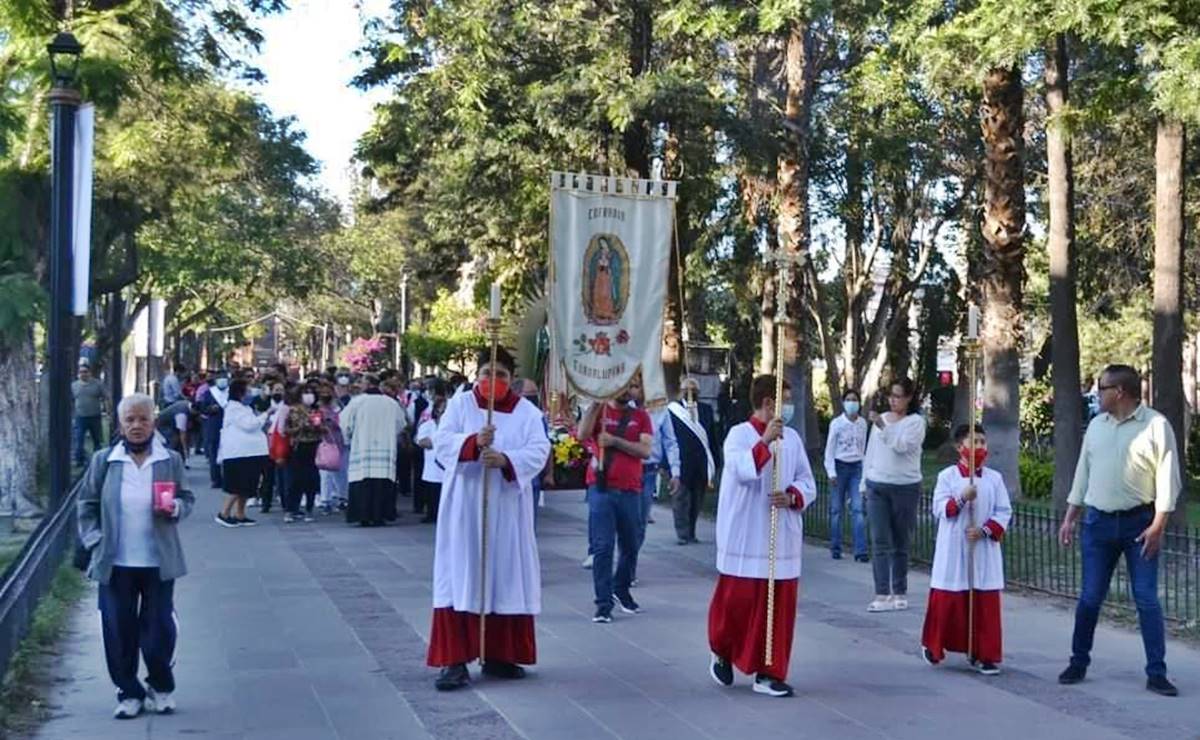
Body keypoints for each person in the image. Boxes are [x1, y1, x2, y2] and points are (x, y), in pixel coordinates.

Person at [427, 348, 550, 690]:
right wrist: (470, 443)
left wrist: (507, 460)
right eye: (486, 372)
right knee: (461, 574)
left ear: (512, 380)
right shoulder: (461, 404)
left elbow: (540, 449)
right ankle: (454, 660)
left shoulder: (527, 412)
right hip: (465, 504)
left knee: (505, 574)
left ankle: (500, 654)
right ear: (476, 375)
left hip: (507, 505)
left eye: (501, 375)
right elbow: (442, 440)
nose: (492, 380)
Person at [1056, 364, 1182, 697]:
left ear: (1120, 392)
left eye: (1102, 388)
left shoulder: (1156, 425)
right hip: (1097, 524)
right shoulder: (1097, 425)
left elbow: (1169, 480)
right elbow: (1083, 472)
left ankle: (1157, 672)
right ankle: (1078, 661)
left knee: (1145, 599)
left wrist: (1158, 525)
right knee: (1090, 597)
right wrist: (1071, 516)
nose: (1098, 394)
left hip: (1139, 524)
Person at [77, 393, 195, 719]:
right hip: (115, 563)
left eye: (143, 419)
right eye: (130, 420)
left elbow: (187, 496)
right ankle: (128, 692)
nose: (137, 425)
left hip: (159, 561)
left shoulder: (169, 459)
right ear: (120, 424)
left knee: (158, 632)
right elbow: (86, 505)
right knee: (118, 631)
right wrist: (94, 540)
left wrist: (177, 508)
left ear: (154, 422)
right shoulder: (105, 460)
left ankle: (161, 686)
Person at [707, 375, 817, 698]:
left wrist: (794, 495)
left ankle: (769, 673)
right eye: (784, 399)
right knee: (736, 604)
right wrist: (765, 441)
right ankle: (722, 650)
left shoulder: (793, 440)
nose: (789, 407)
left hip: (779, 534)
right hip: (746, 532)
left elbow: (807, 481)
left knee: (778, 607)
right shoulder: (738, 435)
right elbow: (742, 470)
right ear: (769, 403)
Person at [920, 424, 1011, 675]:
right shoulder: (947, 477)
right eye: (974, 442)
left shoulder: (994, 479)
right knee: (950, 598)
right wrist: (961, 498)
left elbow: (1004, 511)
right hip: (954, 547)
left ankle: (985, 654)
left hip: (982, 548)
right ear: (960, 447)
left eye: (983, 441)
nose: (980, 446)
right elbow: (940, 509)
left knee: (984, 600)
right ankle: (935, 645)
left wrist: (984, 530)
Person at [577, 376, 653, 622]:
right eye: (623, 384)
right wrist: (596, 403)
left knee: (631, 544)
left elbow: (645, 450)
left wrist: (615, 442)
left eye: (632, 385)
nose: (627, 390)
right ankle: (603, 603)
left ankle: (621, 587)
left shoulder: (640, 417)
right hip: (601, 489)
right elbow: (582, 433)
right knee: (603, 547)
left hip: (631, 490)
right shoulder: (599, 410)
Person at [862, 377, 927, 612]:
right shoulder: (881, 421)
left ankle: (899, 590)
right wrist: (863, 483)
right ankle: (881, 592)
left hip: (905, 486)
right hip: (877, 483)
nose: (893, 400)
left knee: (900, 541)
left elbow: (902, 446)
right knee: (880, 539)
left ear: (908, 398)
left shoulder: (915, 423)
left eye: (898, 396)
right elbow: (871, 452)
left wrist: (883, 426)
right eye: (891, 396)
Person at [342, 374, 404, 526]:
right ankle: (380, 516)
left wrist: (349, 438)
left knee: (363, 481)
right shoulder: (391, 403)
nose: (360, 385)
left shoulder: (357, 402)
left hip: (362, 447)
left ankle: (363, 516)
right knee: (382, 482)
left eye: (362, 382)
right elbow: (401, 424)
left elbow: (345, 423)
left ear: (368, 384)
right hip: (385, 448)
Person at [667, 377, 715, 546]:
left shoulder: (706, 410)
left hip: (701, 463)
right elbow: (668, 438)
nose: (690, 393)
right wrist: (667, 465)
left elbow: (712, 438)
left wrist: (714, 462)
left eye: (693, 390)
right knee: (681, 500)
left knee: (696, 500)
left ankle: (692, 531)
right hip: (681, 463)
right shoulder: (673, 411)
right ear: (681, 391)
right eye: (687, 389)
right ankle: (682, 533)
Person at [215, 379, 269, 527]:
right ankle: (224, 513)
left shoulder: (244, 408)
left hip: (250, 452)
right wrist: (266, 414)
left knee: (247, 486)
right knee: (236, 485)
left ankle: (240, 513)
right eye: (248, 391)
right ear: (240, 393)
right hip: (238, 453)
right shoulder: (234, 408)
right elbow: (249, 425)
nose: (250, 394)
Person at [823, 389, 869, 561]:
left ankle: (861, 550)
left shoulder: (862, 424)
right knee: (836, 509)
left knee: (858, 509)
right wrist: (831, 472)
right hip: (840, 466)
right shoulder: (837, 424)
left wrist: (865, 472)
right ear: (843, 403)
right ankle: (836, 547)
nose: (852, 403)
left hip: (856, 467)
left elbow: (863, 448)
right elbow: (829, 449)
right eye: (848, 400)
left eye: (854, 400)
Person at [285, 386, 323, 523]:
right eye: (306, 393)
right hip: (298, 446)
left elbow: (322, 428)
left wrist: (318, 426)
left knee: (311, 479)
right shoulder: (293, 410)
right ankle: (291, 509)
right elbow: (287, 429)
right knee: (295, 480)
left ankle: (309, 509)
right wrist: (300, 427)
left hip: (313, 445)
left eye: (311, 393)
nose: (309, 396)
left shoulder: (317, 410)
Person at [415, 395, 447, 522]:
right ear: (437, 410)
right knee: (433, 493)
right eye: (443, 409)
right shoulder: (428, 425)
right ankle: (432, 515)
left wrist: (435, 441)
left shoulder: (454, 427)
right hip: (432, 467)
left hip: (447, 467)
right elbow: (422, 442)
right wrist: (442, 441)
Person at [316, 385, 346, 514]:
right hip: (324, 442)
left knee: (341, 471)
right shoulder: (317, 408)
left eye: (328, 392)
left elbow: (343, 421)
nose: (326, 394)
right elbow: (315, 423)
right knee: (325, 472)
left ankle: (342, 497)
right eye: (323, 392)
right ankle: (325, 500)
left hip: (339, 442)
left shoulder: (339, 407)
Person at [196, 373, 230, 488]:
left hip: (228, 426)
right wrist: (210, 409)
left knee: (228, 454)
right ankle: (216, 479)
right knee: (213, 453)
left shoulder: (231, 393)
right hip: (213, 426)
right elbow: (202, 409)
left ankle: (228, 479)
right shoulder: (209, 393)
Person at [72, 363, 107, 467]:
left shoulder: (97, 384)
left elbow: (105, 397)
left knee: (97, 440)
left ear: (90, 373)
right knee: (79, 440)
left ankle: (98, 461)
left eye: (85, 372)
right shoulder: (74, 386)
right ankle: (79, 461)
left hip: (95, 416)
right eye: (81, 372)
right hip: (80, 417)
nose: (83, 374)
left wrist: (108, 411)